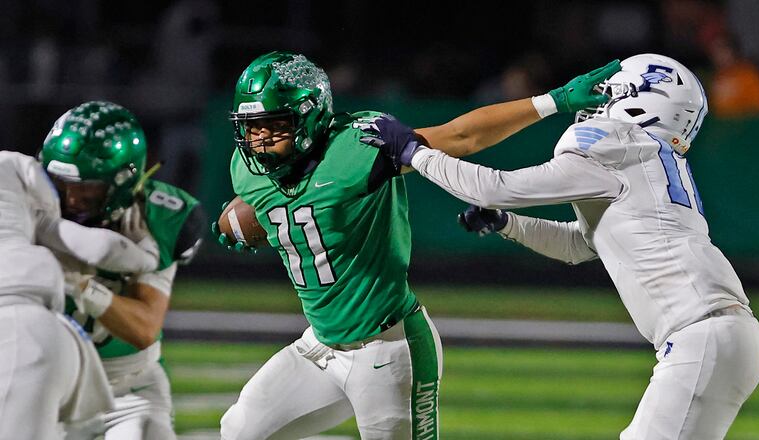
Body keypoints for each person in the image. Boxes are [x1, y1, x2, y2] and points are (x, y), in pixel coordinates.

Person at [213, 51, 618, 439]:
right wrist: (243, 224)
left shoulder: (355, 149)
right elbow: (282, 206)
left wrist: (553, 101)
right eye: (252, 127)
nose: (259, 141)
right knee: (239, 430)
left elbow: (462, 135)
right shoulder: (245, 168)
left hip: (389, 351)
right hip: (319, 346)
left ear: (309, 117)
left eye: (274, 126)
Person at [362, 53, 759, 440]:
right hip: (724, 335)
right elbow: (582, 244)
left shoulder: (618, 144)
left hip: (703, 334)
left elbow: (493, 187)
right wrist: (507, 224)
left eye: (613, 94)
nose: (599, 103)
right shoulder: (655, 160)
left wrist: (415, 152)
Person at [40, 101, 206, 440]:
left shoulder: (155, 218)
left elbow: (144, 327)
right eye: (60, 183)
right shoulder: (26, 202)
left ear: (122, 181)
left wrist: (80, 285)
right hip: (41, 381)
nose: (70, 199)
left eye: (86, 188)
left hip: (126, 389)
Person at [0, 150, 161, 439]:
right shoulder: (13, 166)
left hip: (18, 325)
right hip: (37, 332)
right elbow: (90, 244)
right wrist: (147, 255)